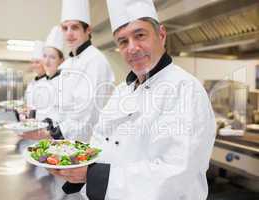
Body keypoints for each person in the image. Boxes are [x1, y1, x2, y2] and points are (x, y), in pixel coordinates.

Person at [50, 0, 216, 199]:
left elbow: (174, 174)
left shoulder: (185, 89)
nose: (132, 48)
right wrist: (76, 169)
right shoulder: (123, 91)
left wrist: (92, 175)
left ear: (161, 35)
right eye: (123, 41)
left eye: (140, 35)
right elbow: (100, 143)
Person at [23, 0, 115, 143]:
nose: (69, 33)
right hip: (66, 142)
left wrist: (50, 132)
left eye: (75, 27)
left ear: (88, 30)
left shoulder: (95, 61)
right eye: (65, 28)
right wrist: (47, 125)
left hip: (88, 145)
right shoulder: (66, 65)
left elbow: (87, 115)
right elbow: (60, 109)